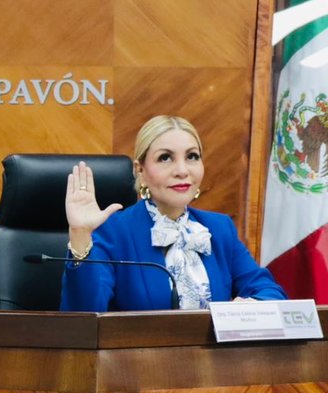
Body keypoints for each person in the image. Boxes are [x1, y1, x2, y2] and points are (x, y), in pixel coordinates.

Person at [61, 115, 287, 312]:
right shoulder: (113, 231)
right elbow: (84, 316)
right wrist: (80, 235)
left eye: (192, 156)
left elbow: (269, 292)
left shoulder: (219, 228)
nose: (182, 171)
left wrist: (250, 306)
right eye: (165, 158)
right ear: (140, 170)